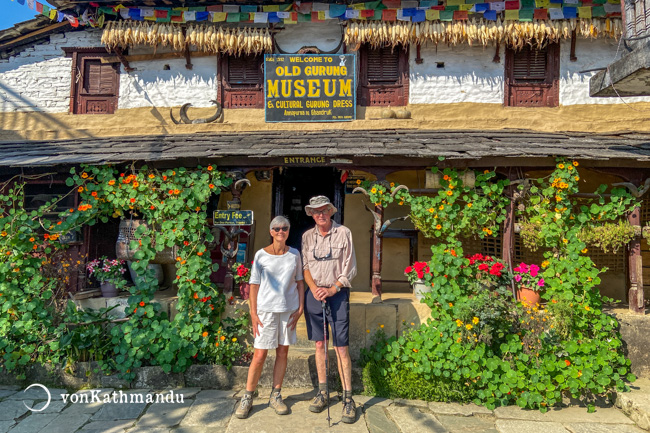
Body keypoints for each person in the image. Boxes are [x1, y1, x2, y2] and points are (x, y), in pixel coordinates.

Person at [235, 216, 305, 419]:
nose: (280, 231)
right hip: (266, 311)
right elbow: (254, 285)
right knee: (259, 355)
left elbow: (300, 281)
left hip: (288, 310)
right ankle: (248, 396)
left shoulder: (294, 255)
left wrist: (300, 308)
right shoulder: (261, 255)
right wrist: (253, 313)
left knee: (282, 353)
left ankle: (276, 394)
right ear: (271, 231)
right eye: (276, 228)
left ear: (288, 231)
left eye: (284, 228)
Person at [301, 195, 358, 424]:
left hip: (338, 294)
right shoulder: (306, 236)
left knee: (341, 346)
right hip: (315, 294)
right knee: (319, 344)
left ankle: (348, 399)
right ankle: (323, 392)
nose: (320, 215)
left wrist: (334, 289)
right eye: (316, 212)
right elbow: (305, 267)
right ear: (312, 214)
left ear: (331, 211)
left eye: (324, 210)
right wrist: (314, 288)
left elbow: (350, 266)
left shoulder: (344, 233)